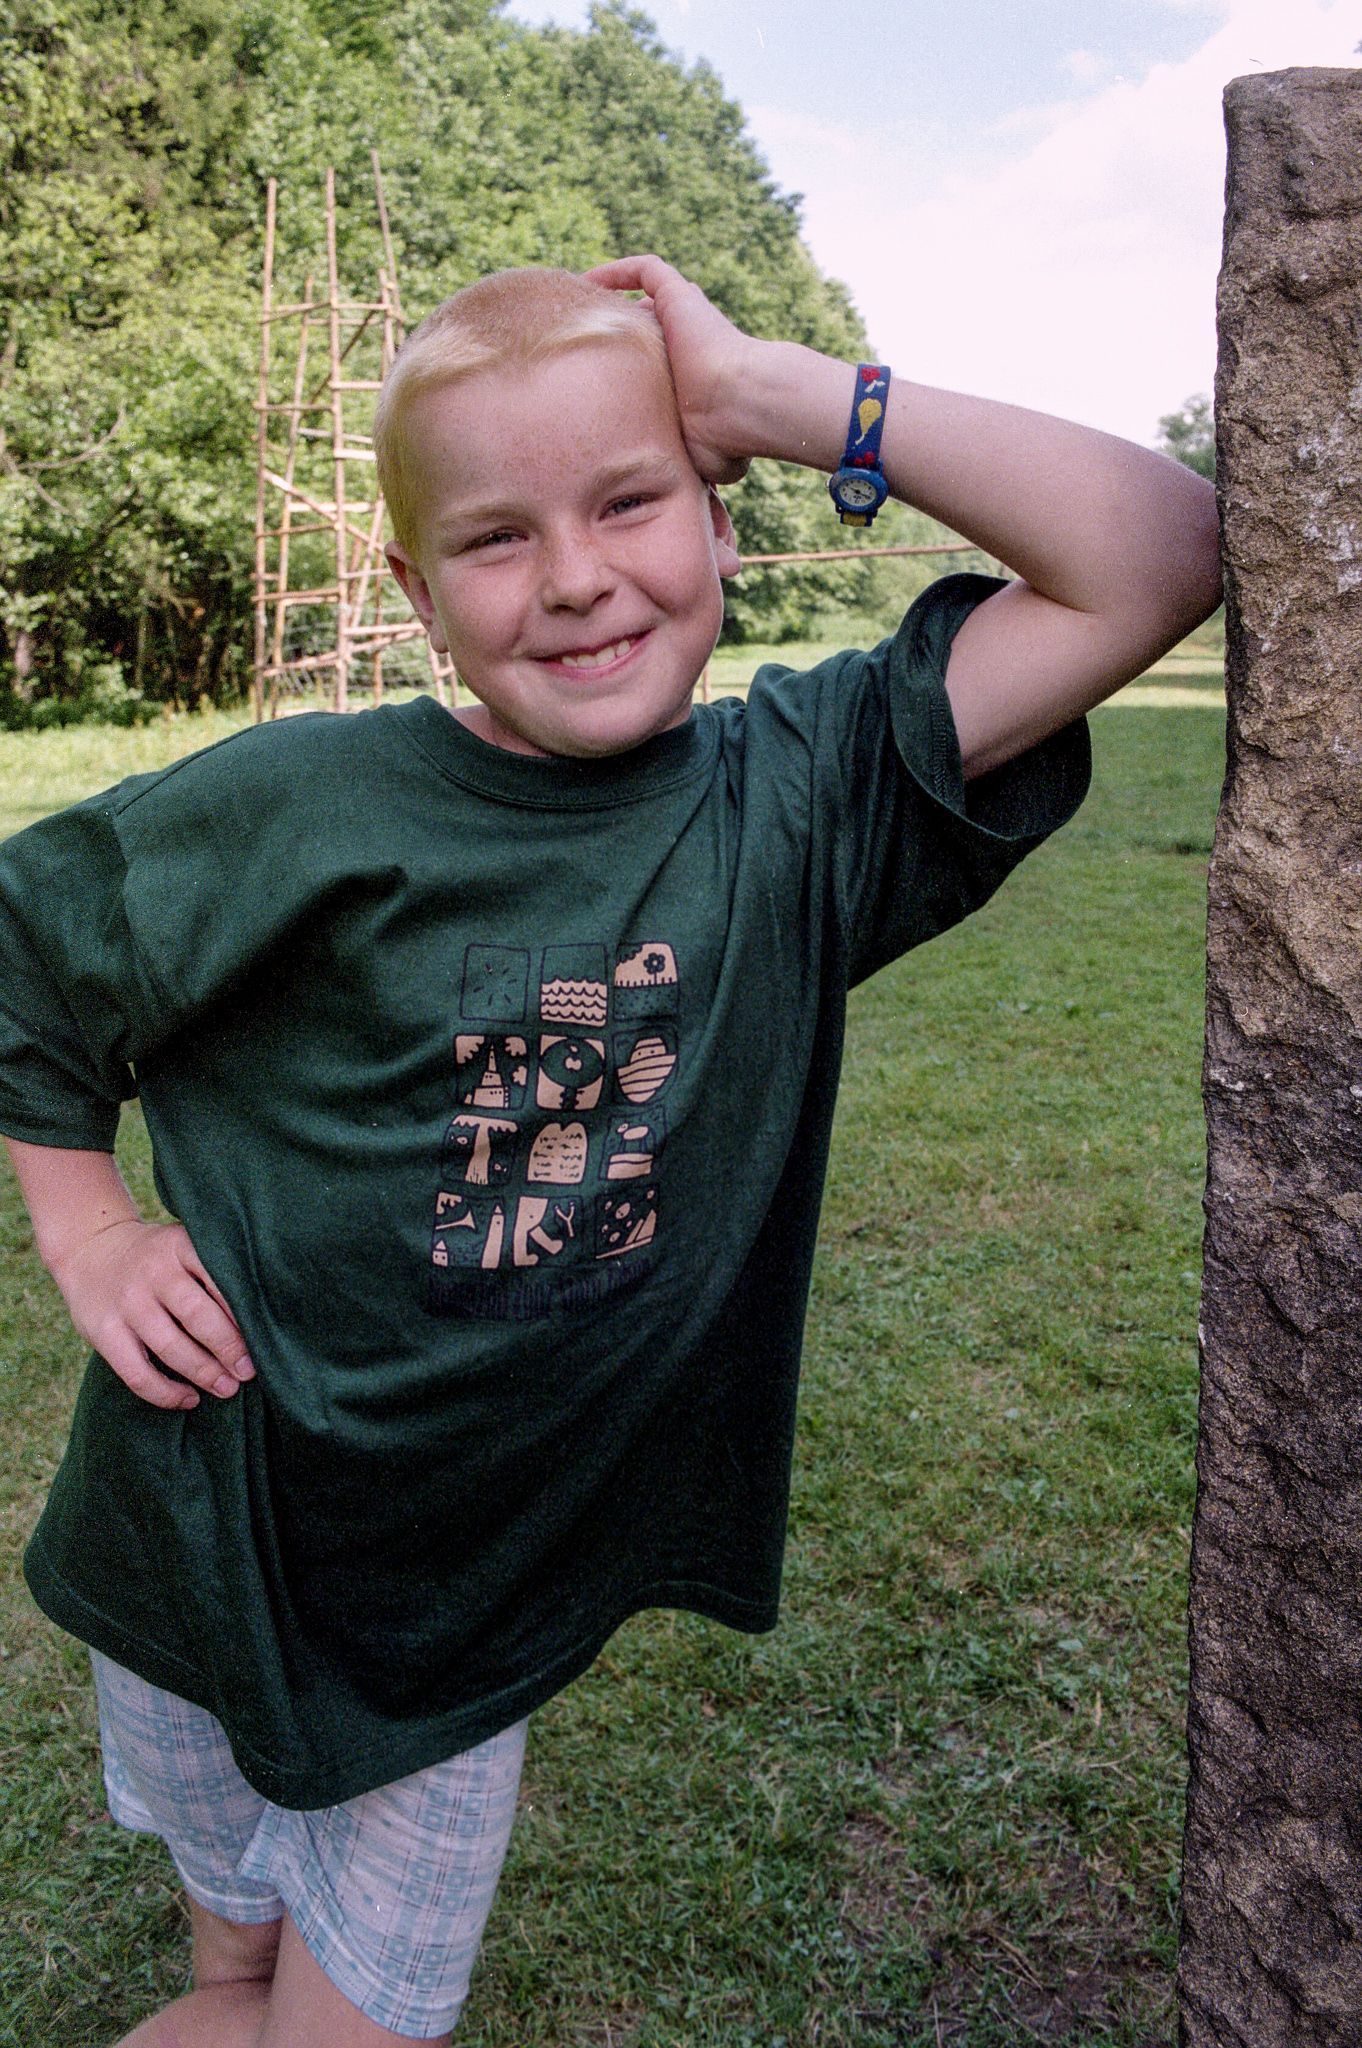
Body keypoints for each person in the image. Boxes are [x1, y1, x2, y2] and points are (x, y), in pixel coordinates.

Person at [0, 255, 1221, 2046]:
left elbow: (1159, 554)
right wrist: (90, 1228)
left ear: (723, 515)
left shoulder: (794, 800)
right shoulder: (295, 808)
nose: (573, 576)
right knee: (232, 1978)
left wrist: (785, 398)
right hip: (203, 1534)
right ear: (417, 593)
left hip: (467, 1606)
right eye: (496, 538)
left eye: (631, 498)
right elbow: (28, 950)